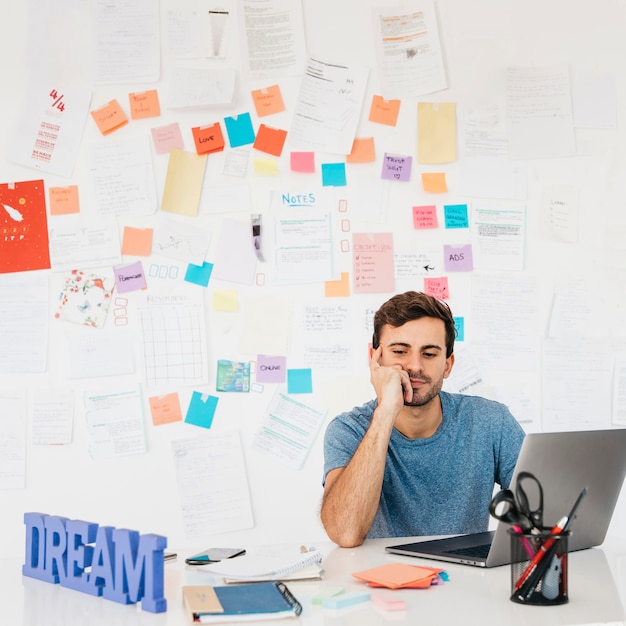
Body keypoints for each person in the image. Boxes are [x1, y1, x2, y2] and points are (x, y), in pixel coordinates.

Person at [320, 291, 525, 548]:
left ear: (448, 365)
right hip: (380, 580)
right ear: (376, 359)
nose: (414, 366)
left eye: (429, 354)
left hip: (465, 580)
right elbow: (345, 533)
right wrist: (385, 411)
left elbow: (545, 507)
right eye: (400, 351)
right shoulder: (347, 430)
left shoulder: (491, 421)